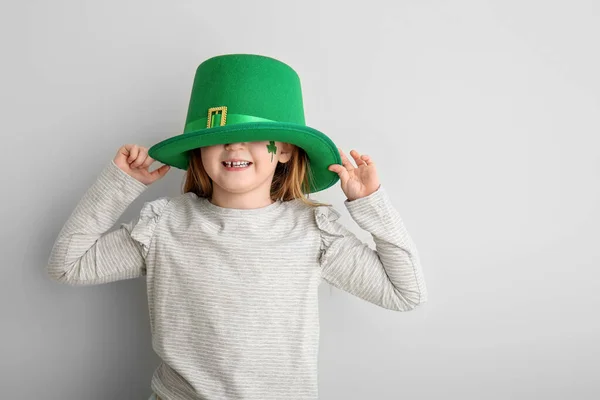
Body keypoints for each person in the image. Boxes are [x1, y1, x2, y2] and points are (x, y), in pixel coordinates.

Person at [47, 54, 428, 400]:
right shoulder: (163, 226)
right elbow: (68, 264)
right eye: (219, 138)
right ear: (199, 149)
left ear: (284, 150)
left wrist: (370, 203)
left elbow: (404, 293)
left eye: (254, 136)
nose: (235, 147)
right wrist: (119, 184)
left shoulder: (314, 231)